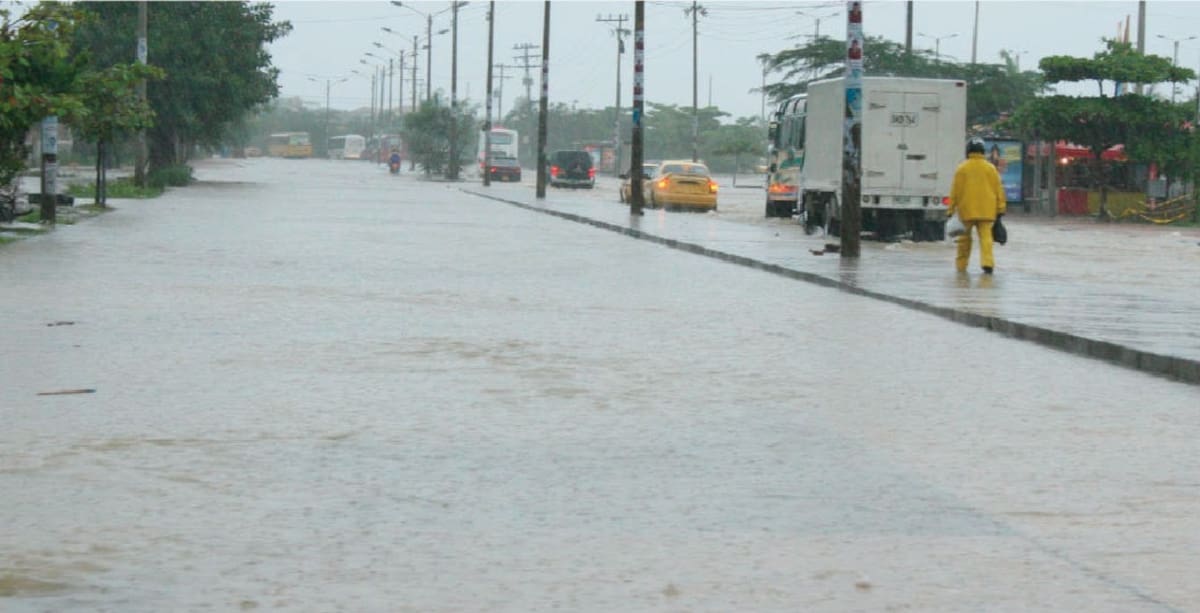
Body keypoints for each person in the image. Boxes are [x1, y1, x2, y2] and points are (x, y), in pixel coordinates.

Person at [948, 137, 1006, 274]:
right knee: (986, 239)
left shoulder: (962, 168)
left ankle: (961, 267)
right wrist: (1001, 209)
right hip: (987, 211)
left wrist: (950, 210)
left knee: (964, 241)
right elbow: (999, 190)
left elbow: (955, 191)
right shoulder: (991, 169)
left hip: (966, 211)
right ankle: (987, 263)